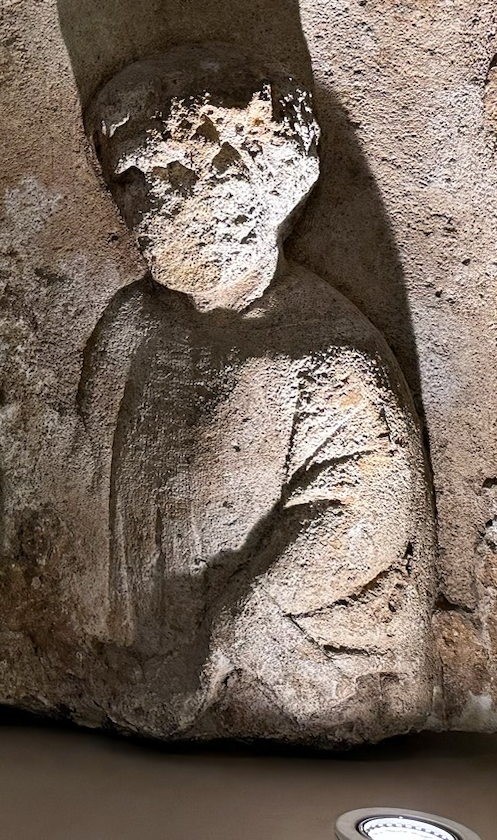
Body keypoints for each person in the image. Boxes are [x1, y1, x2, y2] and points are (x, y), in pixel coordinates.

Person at [77, 44, 435, 739]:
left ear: (267, 182)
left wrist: (233, 632)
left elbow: (361, 520)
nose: (150, 208)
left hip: (274, 671)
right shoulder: (131, 325)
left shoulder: (328, 357)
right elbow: (79, 475)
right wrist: (1, 412)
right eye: (131, 180)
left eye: (177, 172)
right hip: (132, 641)